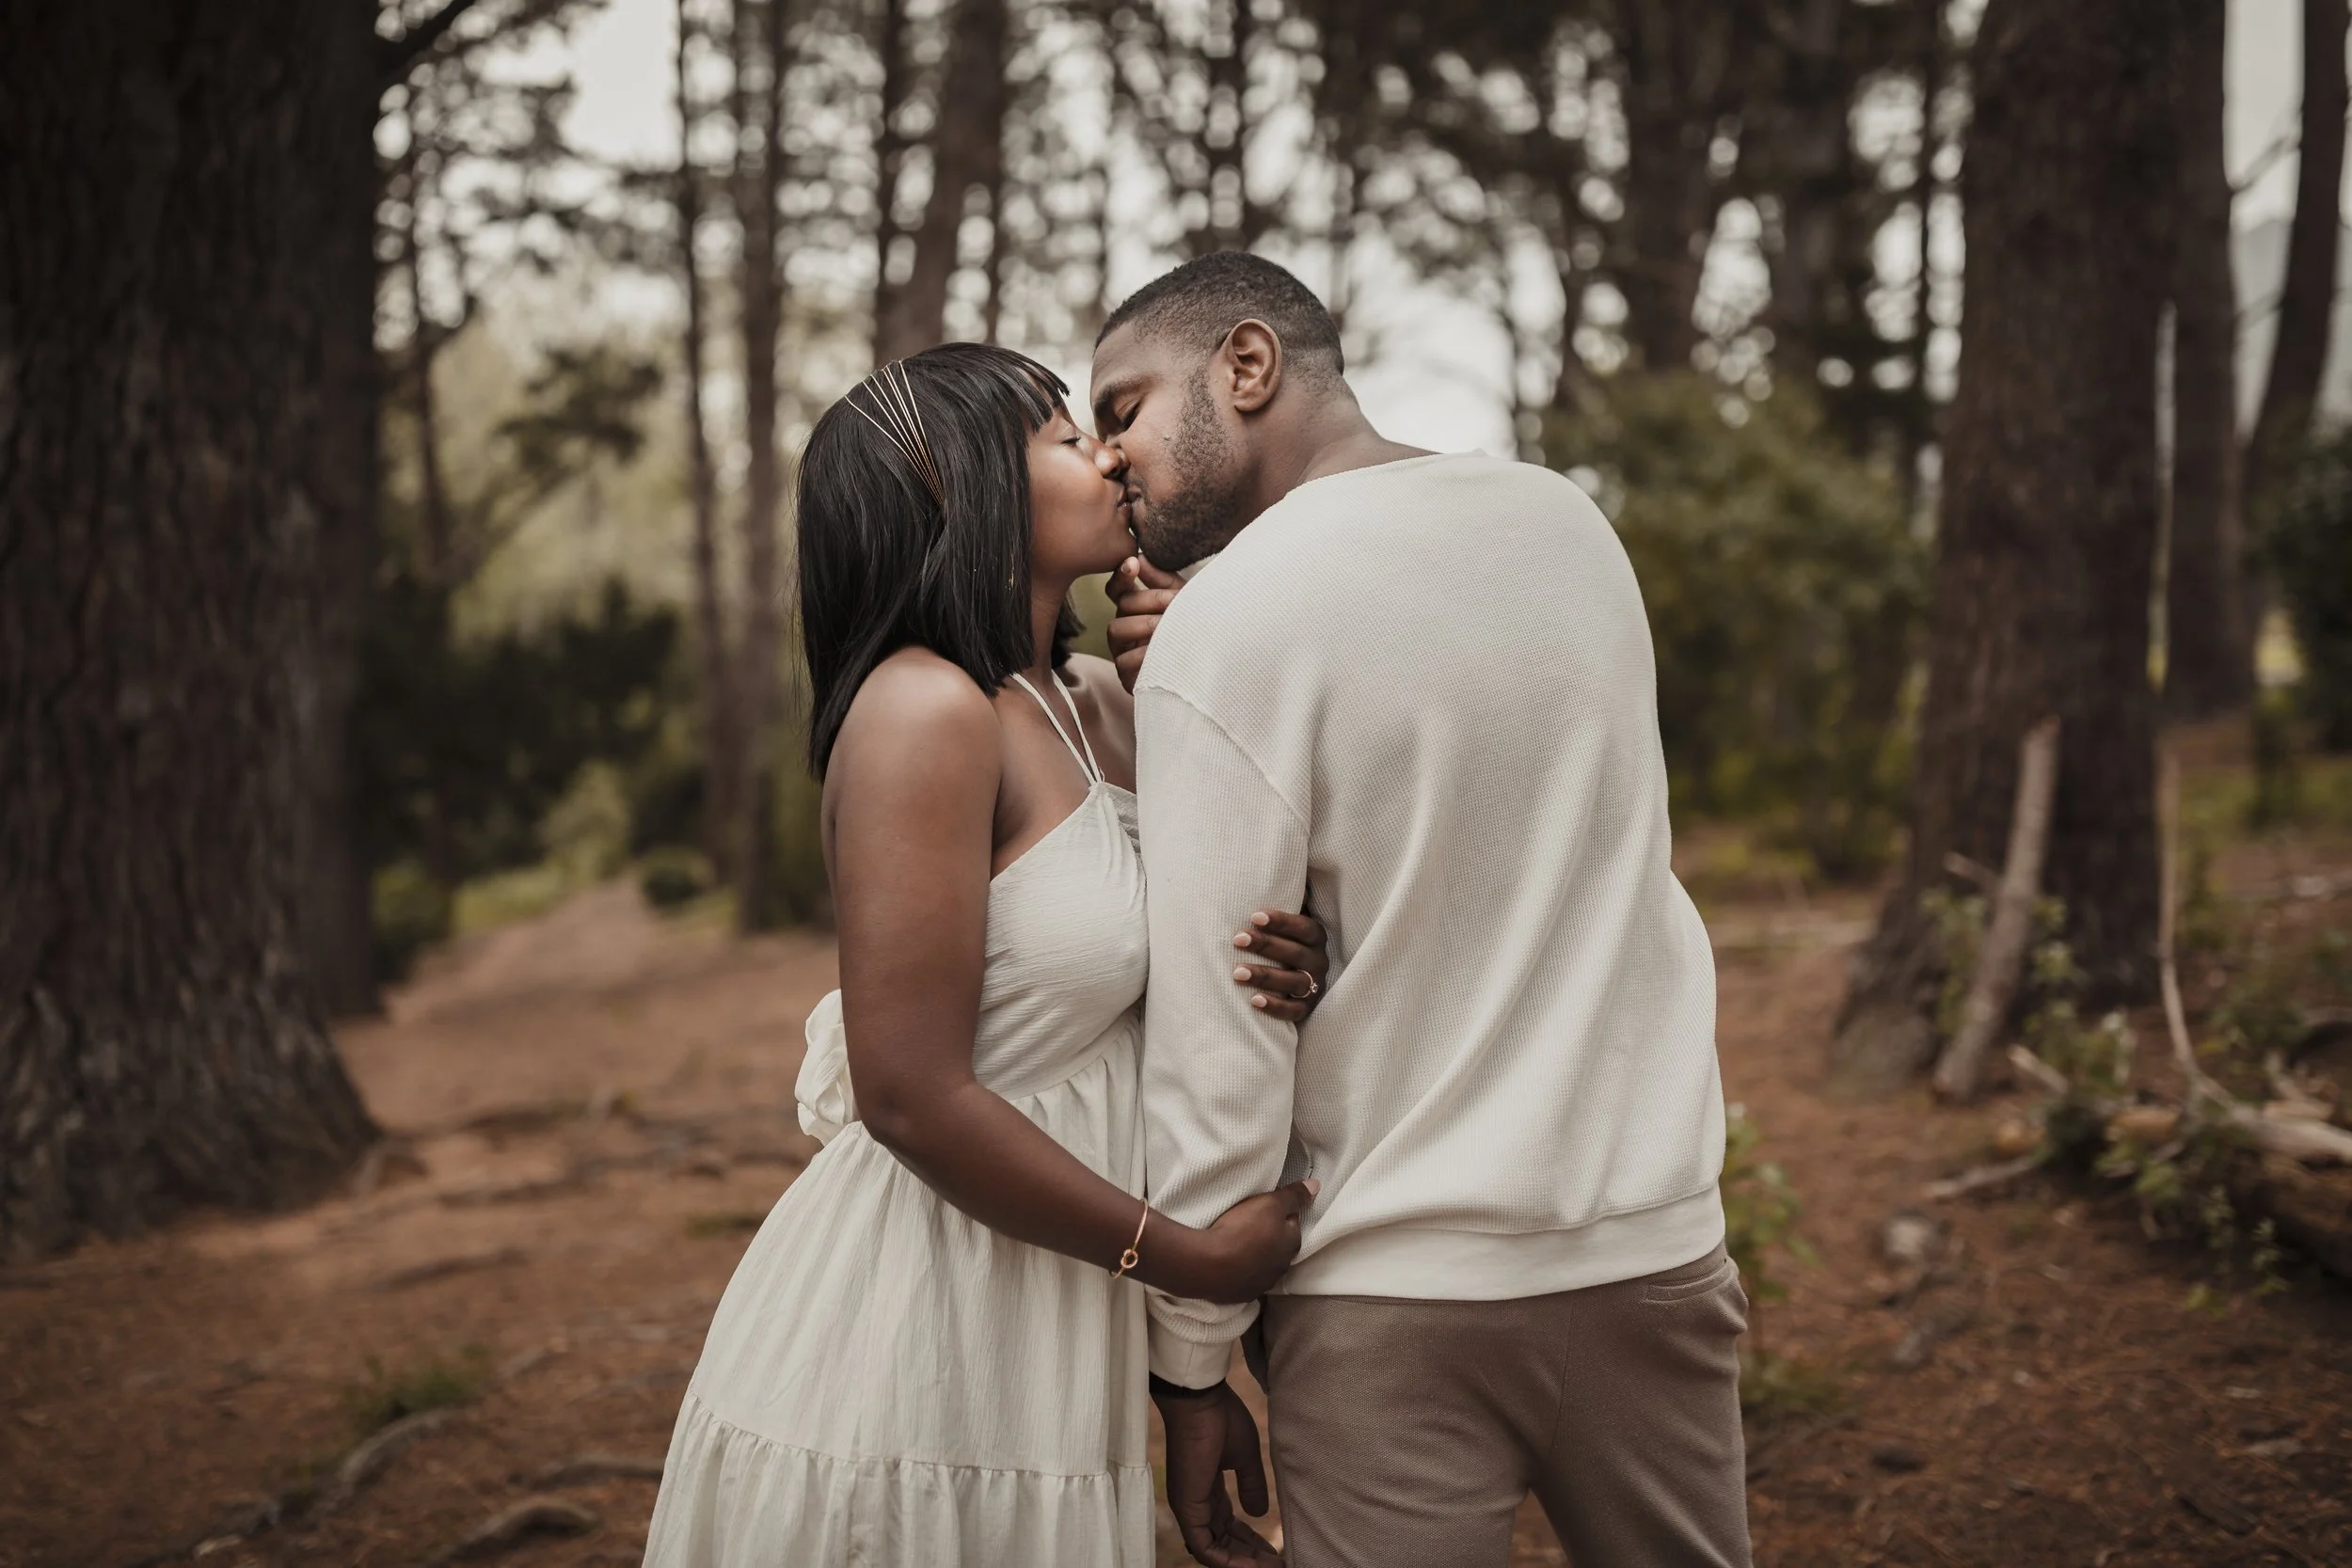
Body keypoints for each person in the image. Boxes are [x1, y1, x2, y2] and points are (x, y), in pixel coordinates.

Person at [1092, 252, 1750, 1568]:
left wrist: (1193, 1365)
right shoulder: (1568, 524)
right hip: (1648, 1248)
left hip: (1385, 1281)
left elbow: (1224, 1031)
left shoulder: (1229, 622)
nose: (1109, 458)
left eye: (1122, 408)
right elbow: (1574, 861)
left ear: (1247, 363)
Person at [642, 342, 1327, 1567]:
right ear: (958, 491)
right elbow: (908, 1091)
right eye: (1067, 436)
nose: (1111, 450)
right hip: (919, 1326)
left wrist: (1291, 948)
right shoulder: (922, 710)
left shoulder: (1091, 698)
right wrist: (1180, 1254)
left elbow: (1184, 959)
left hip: (1059, 1318)